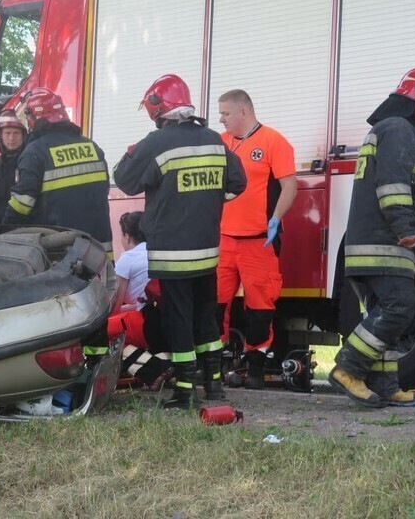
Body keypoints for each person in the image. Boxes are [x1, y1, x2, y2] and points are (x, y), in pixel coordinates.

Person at [114, 74, 246, 409]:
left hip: (171, 254)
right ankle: (214, 385)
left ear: (158, 108)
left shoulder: (157, 143)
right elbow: (238, 183)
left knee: (179, 321)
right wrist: (206, 203)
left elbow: (124, 180)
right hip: (207, 252)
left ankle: (186, 391)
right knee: (206, 319)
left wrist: (132, 154)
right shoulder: (214, 139)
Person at [328, 67, 415, 408]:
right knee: (400, 309)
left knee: (384, 314)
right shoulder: (399, 130)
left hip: (374, 243)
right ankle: (348, 369)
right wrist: (406, 229)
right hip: (385, 245)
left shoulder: (391, 128)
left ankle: (385, 385)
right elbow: (393, 187)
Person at [216, 89, 297, 389]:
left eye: (225, 113)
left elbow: (289, 185)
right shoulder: (220, 143)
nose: (221, 119)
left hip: (259, 241)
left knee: (260, 309)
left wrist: (276, 218)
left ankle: (255, 368)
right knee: (214, 305)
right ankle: (214, 367)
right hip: (223, 240)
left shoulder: (273, 141)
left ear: (243, 112)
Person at [1, 88, 113, 253]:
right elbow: (103, 190)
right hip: (99, 252)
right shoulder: (92, 147)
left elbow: (22, 204)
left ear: (33, 117)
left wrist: (4, 232)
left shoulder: (35, 152)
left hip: (60, 253)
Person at [106, 211, 172, 389]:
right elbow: (137, 304)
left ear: (127, 236)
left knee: (105, 333)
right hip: (173, 322)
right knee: (128, 321)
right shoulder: (160, 251)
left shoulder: (128, 258)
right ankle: (169, 368)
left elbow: (115, 306)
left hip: (152, 324)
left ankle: (155, 372)